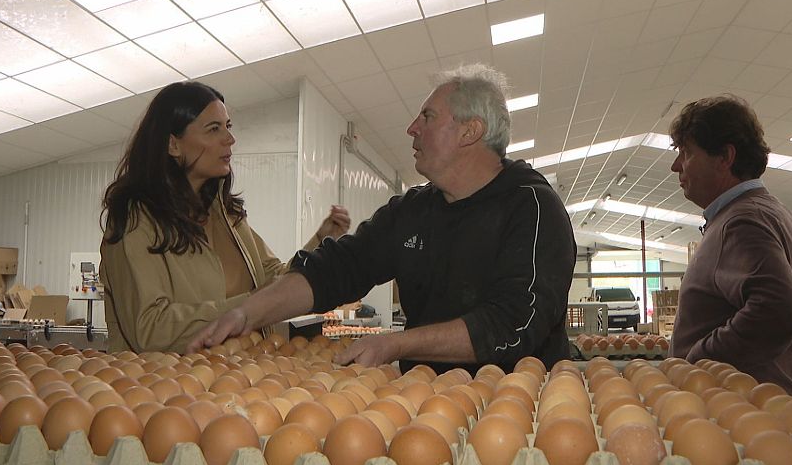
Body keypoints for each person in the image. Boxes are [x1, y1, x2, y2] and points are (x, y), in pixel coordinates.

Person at [188, 64, 577, 376]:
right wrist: (245, 314)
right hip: (427, 405)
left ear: (469, 131)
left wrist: (397, 343)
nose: (412, 128)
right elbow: (338, 268)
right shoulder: (412, 211)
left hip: (518, 406)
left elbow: (512, 326)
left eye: (428, 116)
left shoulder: (532, 209)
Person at [99, 81, 350, 354]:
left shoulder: (228, 216)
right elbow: (150, 328)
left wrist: (320, 241)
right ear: (173, 144)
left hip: (241, 380)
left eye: (228, 127)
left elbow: (274, 280)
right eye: (213, 129)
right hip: (170, 387)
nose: (230, 139)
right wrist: (249, 308)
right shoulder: (136, 220)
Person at [667, 94, 792, 398]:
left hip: (749, 412)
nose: (675, 165)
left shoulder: (742, 222)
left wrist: (697, 361)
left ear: (725, 158)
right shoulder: (771, 212)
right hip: (765, 413)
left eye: (687, 152)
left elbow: (777, 311)